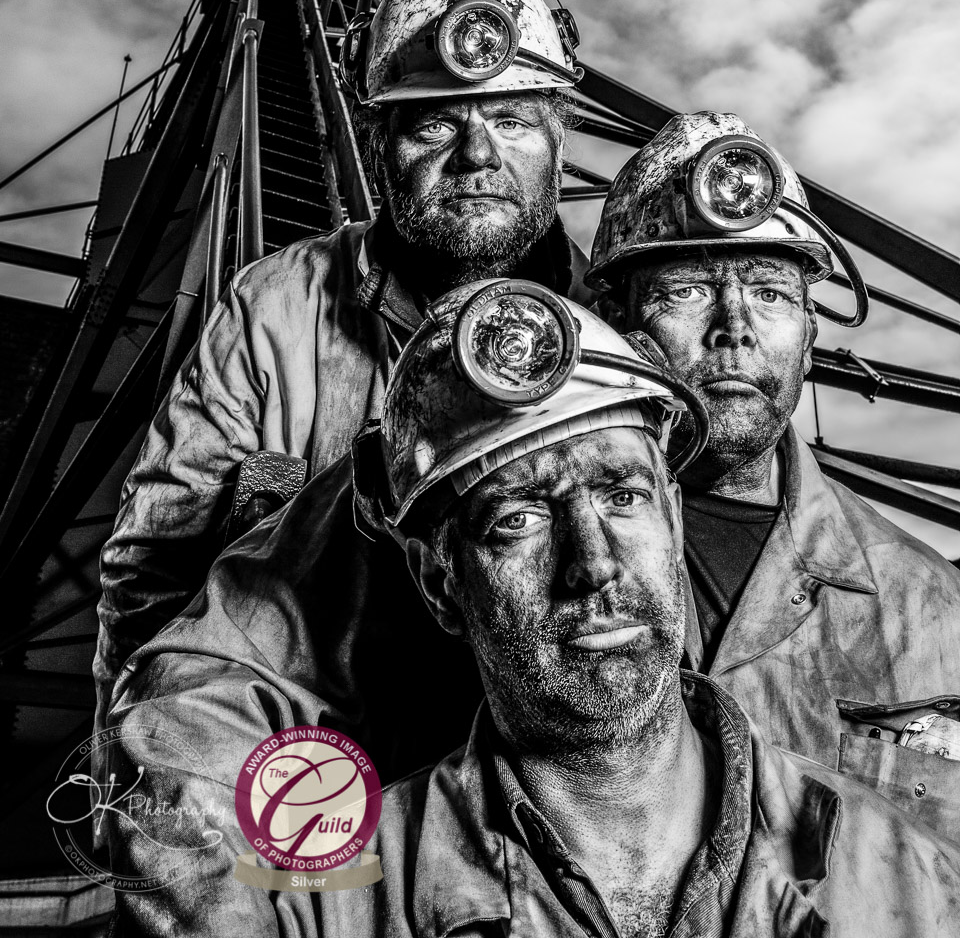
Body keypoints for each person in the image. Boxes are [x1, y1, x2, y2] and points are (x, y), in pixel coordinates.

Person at [105, 282, 960, 936]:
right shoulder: (346, 901)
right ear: (441, 583)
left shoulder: (905, 878)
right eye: (518, 520)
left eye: (622, 496)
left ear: (672, 515)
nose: (593, 567)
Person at [94, 0, 591, 717]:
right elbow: (155, 567)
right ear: (376, 143)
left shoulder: (621, 329)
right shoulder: (274, 305)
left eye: (513, 118)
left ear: (561, 140)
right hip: (317, 784)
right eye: (433, 125)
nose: (477, 156)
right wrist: (140, 767)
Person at [587, 109, 960, 830]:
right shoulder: (524, 552)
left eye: (769, 291)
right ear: (611, 313)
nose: (736, 326)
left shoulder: (929, 604)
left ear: (811, 332)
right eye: (690, 287)